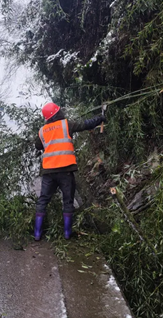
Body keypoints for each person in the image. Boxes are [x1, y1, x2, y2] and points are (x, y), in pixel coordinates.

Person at [34, 102, 106, 240]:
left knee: (43, 201)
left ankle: (37, 234)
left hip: (48, 172)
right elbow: (85, 124)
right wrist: (100, 119)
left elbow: (38, 145)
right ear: (57, 113)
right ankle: (67, 234)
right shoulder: (66, 124)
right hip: (65, 170)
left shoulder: (42, 130)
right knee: (68, 201)